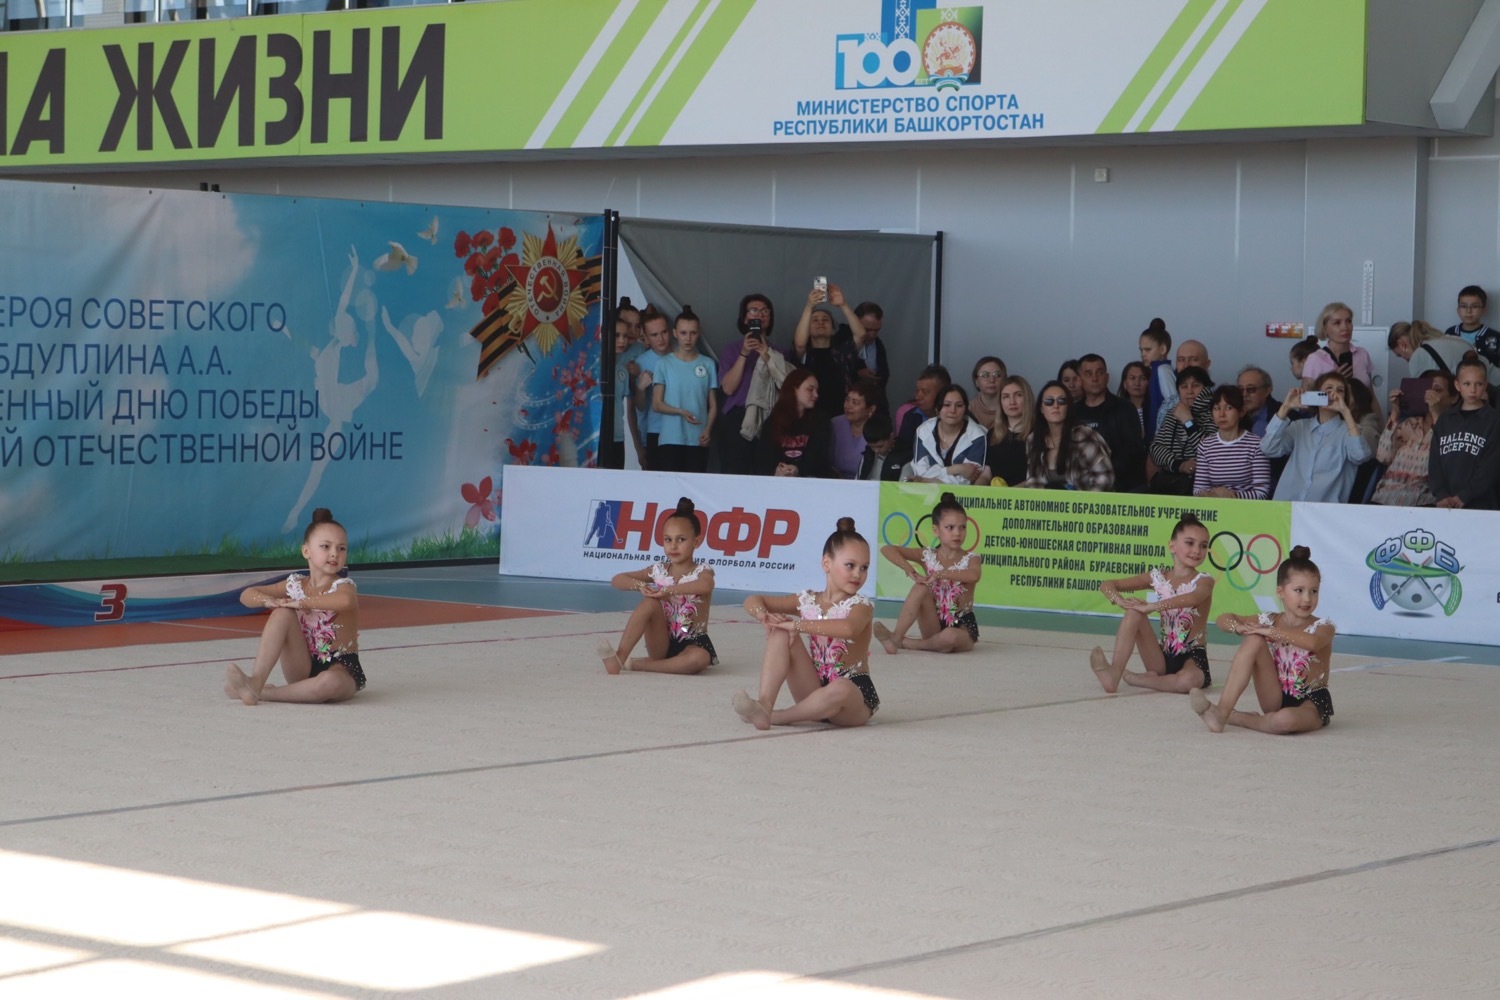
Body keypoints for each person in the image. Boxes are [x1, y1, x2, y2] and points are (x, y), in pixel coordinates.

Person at [733, 517, 879, 730]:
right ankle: (765, 705)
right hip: (812, 689)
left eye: (864, 567)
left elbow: (848, 628)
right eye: (850, 565)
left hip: (852, 699)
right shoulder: (808, 600)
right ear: (827, 563)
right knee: (780, 631)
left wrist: (797, 625)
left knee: (840, 687)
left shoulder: (861, 605)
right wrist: (764, 616)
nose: (858, 574)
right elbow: (753, 600)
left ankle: (776, 717)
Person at [225, 508, 366, 705]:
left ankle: (263, 693)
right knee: (282, 613)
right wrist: (268, 601)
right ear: (306, 551)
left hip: (341, 671)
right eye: (326, 546)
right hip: (301, 666)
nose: (335, 553)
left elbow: (346, 601)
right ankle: (257, 681)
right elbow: (246, 595)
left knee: (329, 682)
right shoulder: (296, 584)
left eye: (342, 548)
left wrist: (301, 602)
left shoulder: (343, 586)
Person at [1192, 546, 1335, 734]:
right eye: (1299, 590)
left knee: (1283, 721)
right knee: (1254, 639)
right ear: (1280, 592)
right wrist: (1238, 627)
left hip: (1311, 703)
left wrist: (1271, 632)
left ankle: (1239, 718)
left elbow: (1313, 643)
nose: (1307, 598)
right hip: (1274, 698)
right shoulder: (1271, 619)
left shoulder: (1324, 626)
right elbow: (1223, 618)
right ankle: (1222, 713)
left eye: (1314, 591)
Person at [1089, 512, 1215, 695]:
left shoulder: (1204, 580)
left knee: (1188, 681)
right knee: (1134, 611)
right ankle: (1114, 674)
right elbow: (1107, 585)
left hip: (1192, 658)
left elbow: (1193, 598)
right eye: (1190, 543)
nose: (1197, 550)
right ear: (1172, 546)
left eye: (1203, 546)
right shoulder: (1158, 577)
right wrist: (1121, 601)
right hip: (1161, 659)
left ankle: (1138, 679)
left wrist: (1153, 606)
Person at [597, 498, 717, 674]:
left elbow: (706, 585)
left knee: (699, 658)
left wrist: (668, 590)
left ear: (696, 541)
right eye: (668, 539)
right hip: (661, 642)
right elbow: (618, 579)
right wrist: (640, 586)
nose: (673, 546)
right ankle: (620, 657)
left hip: (692, 642)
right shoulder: (658, 570)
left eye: (681, 539)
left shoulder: (702, 571)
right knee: (649, 603)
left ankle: (637, 665)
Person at [875, 492, 981, 654]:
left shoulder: (972, 558)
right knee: (920, 588)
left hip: (962, 628)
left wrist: (940, 574)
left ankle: (908, 643)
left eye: (962, 527)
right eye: (950, 528)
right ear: (936, 530)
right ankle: (896, 637)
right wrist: (909, 569)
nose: (957, 533)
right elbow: (887, 549)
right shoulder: (928, 555)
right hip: (933, 624)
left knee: (949, 637)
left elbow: (974, 575)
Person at [1261, 372, 1375, 503]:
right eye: (1328, 389)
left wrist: (1346, 411)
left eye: (1340, 391)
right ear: (1316, 394)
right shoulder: (1299, 426)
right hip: (1287, 506)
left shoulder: (1350, 431)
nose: (1334, 394)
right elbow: (1268, 448)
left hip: (1324, 510)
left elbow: (1360, 456)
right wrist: (1285, 407)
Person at [714, 294, 784, 474]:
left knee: (766, 474)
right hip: (737, 419)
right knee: (735, 475)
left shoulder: (780, 352)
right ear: (745, 318)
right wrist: (744, 353)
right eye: (754, 310)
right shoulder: (731, 350)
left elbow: (785, 386)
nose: (760, 314)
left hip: (770, 417)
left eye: (765, 311)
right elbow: (728, 388)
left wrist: (766, 355)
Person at [1372, 373, 1455, 507]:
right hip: (1384, 499)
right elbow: (1383, 457)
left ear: (1454, 397)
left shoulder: (1455, 429)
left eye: (1437, 390)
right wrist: (1395, 411)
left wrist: (1436, 414)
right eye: (1426, 390)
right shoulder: (1409, 423)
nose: (1429, 395)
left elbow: (1449, 466)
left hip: (1421, 505)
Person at [1429, 352, 1500, 509]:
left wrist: (1466, 495)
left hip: (1483, 505)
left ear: (1485, 385)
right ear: (1457, 385)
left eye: (1478, 384)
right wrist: (1441, 493)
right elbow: (1434, 460)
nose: (1473, 390)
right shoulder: (1445, 419)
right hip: (1446, 503)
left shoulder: (1494, 420)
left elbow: (1492, 466)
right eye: (1467, 384)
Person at [652, 306, 717, 473]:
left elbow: (713, 405)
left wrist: (708, 430)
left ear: (699, 333)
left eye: (692, 333)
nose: (688, 338)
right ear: (675, 333)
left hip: (698, 439)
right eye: (683, 333)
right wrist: (680, 411)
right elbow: (657, 404)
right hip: (670, 439)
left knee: (694, 488)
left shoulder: (708, 364)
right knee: (669, 487)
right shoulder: (663, 364)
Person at [1020, 380, 1114, 491]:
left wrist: (1080, 501)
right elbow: (1034, 481)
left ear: (1068, 407)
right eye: (1049, 401)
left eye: (1062, 401)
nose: (1055, 406)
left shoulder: (1083, 435)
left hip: (1085, 500)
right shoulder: (1033, 439)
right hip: (1048, 501)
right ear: (1041, 408)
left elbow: (1105, 478)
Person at [792, 281, 866, 416]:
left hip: (841, 415)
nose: (820, 322)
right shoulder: (806, 354)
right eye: (815, 320)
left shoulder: (843, 353)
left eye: (825, 319)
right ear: (807, 329)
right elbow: (800, 344)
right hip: (810, 417)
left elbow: (861, 335)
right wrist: (809, 306)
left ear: (833, 330)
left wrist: (843, 305)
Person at [1075, 353, 1146, 490]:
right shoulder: (1073, 412)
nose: (1095, 378)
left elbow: (1134, 452)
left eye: (1099, 373)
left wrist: (1103, 470)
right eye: (1088, 374)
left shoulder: (1125, 408)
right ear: (1079, 380)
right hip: (1080, 485)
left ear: (1107, 377)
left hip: (1120, 486)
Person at [1193, 386, 1271, 499]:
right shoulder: (1205, 445)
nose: (1221, 414)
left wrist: (1232, 497)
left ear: (1242, 411)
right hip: (1214, 506)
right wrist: (1215, 495)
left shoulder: (1256, 444)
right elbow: (1198, 490)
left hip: (1247, 508)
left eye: (1228, 408)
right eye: (1216, 408)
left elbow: (1262, 492)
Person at [755, 368, 832, 477]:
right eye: (810, 389)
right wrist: (775, 471)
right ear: (794, 389)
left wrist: (798, 469)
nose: (816, 395)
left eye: (816, 391)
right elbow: (763, 459)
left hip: (809, 482)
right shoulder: (773, 421)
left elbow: (819, 459)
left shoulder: (821, 420)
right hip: (778, 482)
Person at [1149, 366, 1213, 495]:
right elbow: (1155, 448)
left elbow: (1210, 451)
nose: (1189, 391)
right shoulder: (1173, 413)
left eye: (1195, 385)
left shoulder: (1214, 413)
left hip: (1204, 485)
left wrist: (1187, 421)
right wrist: (1179, 465)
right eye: (1184, 387)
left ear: (1206, 388)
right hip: (1172, 481)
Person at [911, 384, 991, 485]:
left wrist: (928, 480)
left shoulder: (977, 436)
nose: (953, 410)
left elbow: (967, 480)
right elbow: (920, 472)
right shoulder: (923, 431)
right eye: (947, 405)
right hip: (927, 491)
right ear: (937, 408)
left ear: (965, 409)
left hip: (961, 493)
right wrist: (956, 469)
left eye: (959, 405)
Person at [632, 307, 674, 471]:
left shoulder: (685, 354)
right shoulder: (641, 362)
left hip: (685, 430)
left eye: (664, 332)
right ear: (646, 338)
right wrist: (641, 388)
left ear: (670, 331)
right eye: (654, 335)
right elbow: (639, 406)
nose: (660, 339)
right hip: (656, 431)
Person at [606, 306, 647, 469]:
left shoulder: (639, 352)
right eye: (618, 334)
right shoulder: (594, 361)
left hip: (618, 434)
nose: (631, 332)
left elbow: (634, 405)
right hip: (596, 434)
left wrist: (639, 448)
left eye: (637, 326)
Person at [1301, 301, 1373, 389]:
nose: (1345, 327)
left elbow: (1370, 394)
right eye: (1337, 323)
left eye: (1348, 321)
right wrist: (1332, 380)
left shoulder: (1362, 354)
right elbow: (1307, 396)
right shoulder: (1315, 359)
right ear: (1325, 328)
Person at [1390, 318, 1486, 383]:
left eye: (1400, 355)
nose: (1405, 360)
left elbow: (1422, 395)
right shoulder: (1453, 339)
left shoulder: (1419, 355)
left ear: (1402, 344)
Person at [830, 377, 883, 479]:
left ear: (871, 409)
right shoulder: (835, 424)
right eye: (847, 400)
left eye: (855, 403)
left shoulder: (878, 430)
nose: (848, 406)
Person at [989, 375, 1034, 486]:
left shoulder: (1039, 433)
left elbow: (1036, 478)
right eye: (1006, 397)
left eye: (1018, 395)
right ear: (1000, 402)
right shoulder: (993, 434)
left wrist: (1009, 494)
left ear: (1027, 398)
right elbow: (986, 474)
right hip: (995, 495)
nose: (1012, 402)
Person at [896, 364, 951, 452]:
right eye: (917, 391)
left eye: (925, 392)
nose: (918, 397)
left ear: (942, 393)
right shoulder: (910, 416)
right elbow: (902, 452)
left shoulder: (956, 416)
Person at [1445, 285, 1500, 372]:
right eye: (1464, 306)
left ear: (1483, 310)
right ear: (1458, 310)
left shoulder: (1494, 336)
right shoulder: (1450, 333)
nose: (1469, 311)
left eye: (1475, 306)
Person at [835, 301, 891, 387]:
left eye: (877, 330)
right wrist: (857, 375)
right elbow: (833, 372)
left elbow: (884, 374)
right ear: (855, 322)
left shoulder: (878, 343)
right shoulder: (839, 340)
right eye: (867, 330)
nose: (872, 335)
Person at [1138, 319, 1178, 434]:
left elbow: (1173, 403)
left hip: (1162, 437)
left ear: (1162, 349)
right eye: (1141, 350)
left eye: (1148, 349)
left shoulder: (1163, 370)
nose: (1143, 354)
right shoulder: (1156, 370)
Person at [857, 413, 906, 481]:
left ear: (891, 437)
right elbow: (859, 480)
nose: (876, 450)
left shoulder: (904, 457)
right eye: (872, 447)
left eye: (880, 446)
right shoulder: (868, 455)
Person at [968, 356, 1008, 438]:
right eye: (985, 375)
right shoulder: (967, 409)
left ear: (1004, 379)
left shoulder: (1012, 407)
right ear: (976, 381)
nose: (992, 380)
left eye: (997, 375)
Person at [1117, 361, 1150, 441]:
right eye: (1132, 378)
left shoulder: (1155, 410)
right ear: (1124, 383)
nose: (1137, 383)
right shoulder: (1117, 410)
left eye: (1142, 379)